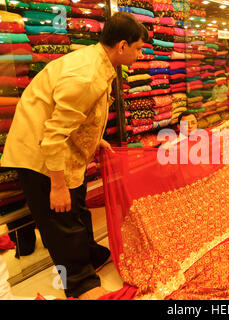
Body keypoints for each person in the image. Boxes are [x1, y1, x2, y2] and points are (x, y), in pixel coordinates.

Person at [0, 12, 149, 300]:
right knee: (62, 220)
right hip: (40, 155)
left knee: (77, 210)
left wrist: (96, 138)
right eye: (139, 48)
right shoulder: (87, 75)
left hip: (60, 148)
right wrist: (56, 185)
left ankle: (89, 255)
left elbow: (77, 114)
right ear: (121, 46)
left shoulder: (97, 62)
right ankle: (81, 284)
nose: (140, 55)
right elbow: (53, 134)